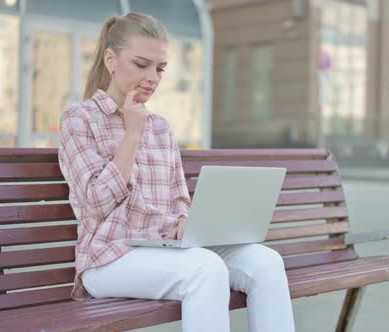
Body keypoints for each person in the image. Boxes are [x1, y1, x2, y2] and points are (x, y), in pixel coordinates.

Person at [58, 12, 295, 332]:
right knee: (205, 268)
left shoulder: (161, 128)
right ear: (110, 60)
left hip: (166, 250)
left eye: (160, 68)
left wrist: (185, 220)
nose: (153, 77)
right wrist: (132, 135)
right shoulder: (80, 118)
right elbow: (96, 204)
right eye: (141, 65)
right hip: (108, 259)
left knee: (266, 262)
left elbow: (179, 198)